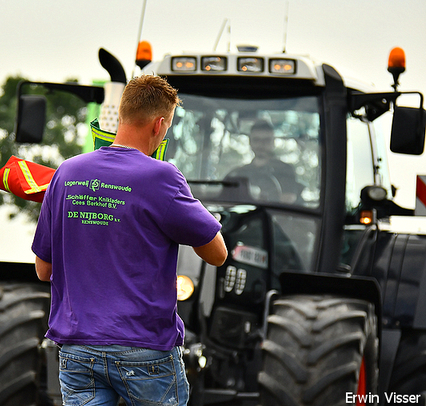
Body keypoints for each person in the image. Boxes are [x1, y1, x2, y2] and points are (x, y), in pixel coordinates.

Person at [32, 74, 227, 406]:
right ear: (159, 125)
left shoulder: (66, 172)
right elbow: (217, 253)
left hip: (79, 348)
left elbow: (43, 270)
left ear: (121, 116)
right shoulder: (162, 177)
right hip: (144, 348)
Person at [226, 119, 302, 203]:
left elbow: (288, 200)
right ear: (250, 142)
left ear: (273, 142)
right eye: (256, 140)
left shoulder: (285, 170)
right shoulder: (237, 174)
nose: (261, 144)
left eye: (266, 140)